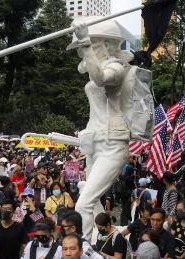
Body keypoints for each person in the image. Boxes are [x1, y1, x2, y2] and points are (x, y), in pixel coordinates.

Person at [69, 19, 139, 240]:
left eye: (87, 46)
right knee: (88, 194)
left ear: (105, 44)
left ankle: (82, 250)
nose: (82, 51)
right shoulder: (93, 68)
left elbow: (100, 79)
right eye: (81, 48)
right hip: (94, 143)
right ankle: (98, 240)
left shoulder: (117, 68)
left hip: (113, 144)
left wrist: (85, 41)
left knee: (83, 204)